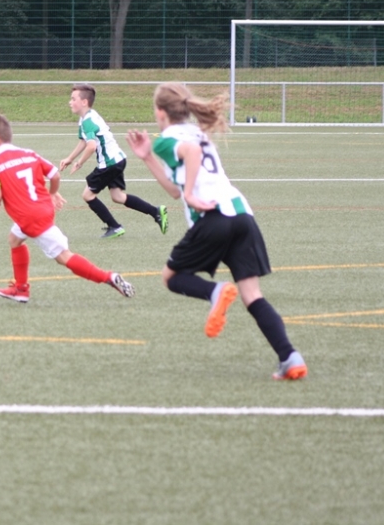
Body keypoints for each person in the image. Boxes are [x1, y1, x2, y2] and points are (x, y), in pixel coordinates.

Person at [126, 83, 307, 381]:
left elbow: (191, 158)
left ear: (160, 112)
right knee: (252, 296)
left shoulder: (169, 139)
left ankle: (215, 292)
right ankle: (290, 356)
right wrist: (147, 157)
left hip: (212, 217)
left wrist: (191, 195)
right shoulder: (197, 132)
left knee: (171, 278)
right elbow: (175, 190)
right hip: (241, 214)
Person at [0, 114, 135, 302]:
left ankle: (108, 277)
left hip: (30, 217)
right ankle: (21, 289)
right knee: (14, 239)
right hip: (43, 208)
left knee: (63, 256)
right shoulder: (28, 153)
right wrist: (52, 193)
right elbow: (54, 175)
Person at [59, 83, 168, 239]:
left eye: (73, 99)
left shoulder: (88, 121)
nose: (70, 102)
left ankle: (115, 227)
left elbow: (91, 146)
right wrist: (70, 158)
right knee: (117, 197)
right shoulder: (87, 117)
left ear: (84, 102)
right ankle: (155, 212)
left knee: (87, 195)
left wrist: (80, 162)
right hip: (118, 160)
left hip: (109, 164)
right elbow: (84, 141)